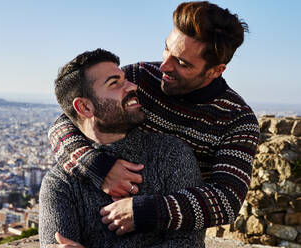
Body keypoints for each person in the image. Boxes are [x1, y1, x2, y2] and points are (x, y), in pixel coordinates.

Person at [48, 0, 259, 238]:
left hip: (167, 233)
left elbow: (226, 202)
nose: (164, 66)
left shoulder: (237, 120)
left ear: (215, 70)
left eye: (181, 63)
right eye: (167, 49)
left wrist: (144, 210)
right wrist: (97, 167)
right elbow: (68, 120)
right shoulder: (141, 76)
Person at [39, 49, 204, 248]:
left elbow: (187, 244)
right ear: (84, 108)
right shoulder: (60, 184)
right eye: (114, 83)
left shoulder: (171, 154)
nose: (133, 86)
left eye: (125, 79)